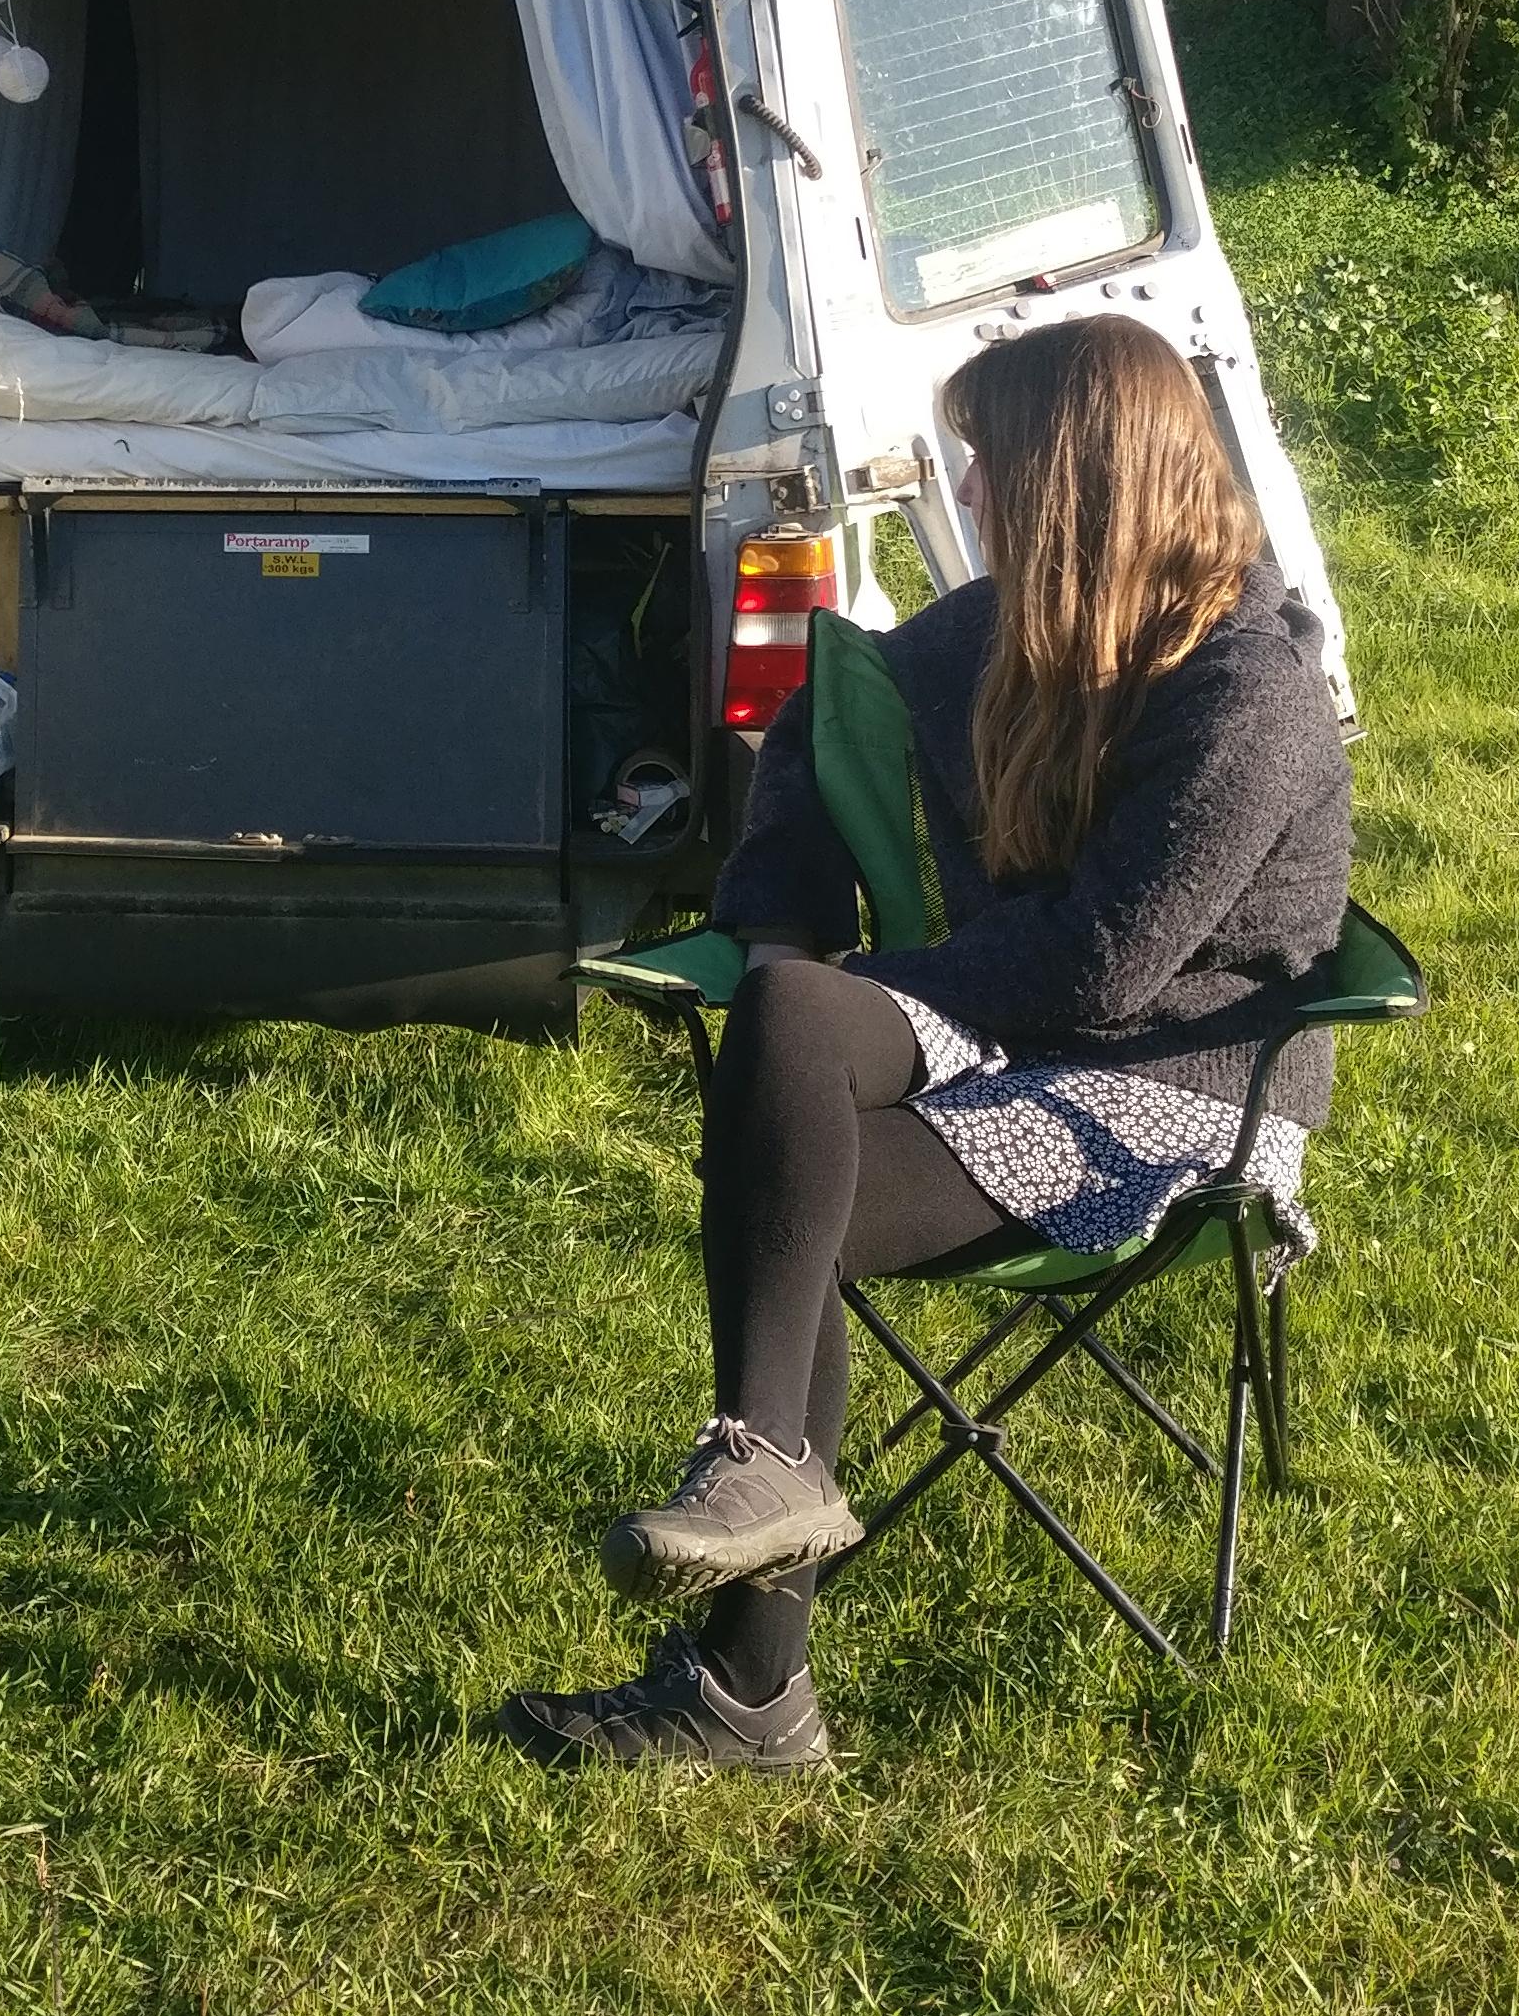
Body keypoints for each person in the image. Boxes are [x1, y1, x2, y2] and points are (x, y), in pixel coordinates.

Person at [499, 314, 1352, 1771]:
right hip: (1026, 1050)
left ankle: (744, 1689)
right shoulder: (1017, 623)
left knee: (800, 1136)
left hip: (1176, 1098)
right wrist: (776, 921)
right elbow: (826, 710)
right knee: (789, 1041)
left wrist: (886, 982)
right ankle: (758, 1555)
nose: (965, 488)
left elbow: (1105, 963)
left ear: (1080, 476)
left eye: (988, 462)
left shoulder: (1244, 687)